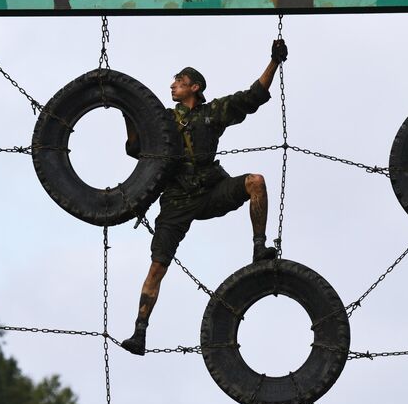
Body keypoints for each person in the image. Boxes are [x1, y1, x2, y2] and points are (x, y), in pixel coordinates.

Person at [120, 39, 289, 355]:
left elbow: (252, 98)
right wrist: (127, 109)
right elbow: (135, 148)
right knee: (156, 268)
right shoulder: (164, 122)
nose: (172, 86)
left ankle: (258, 250)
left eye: (179, 82)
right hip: (176, 203)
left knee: (256, 182)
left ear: (194, 88)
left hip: (211, 192)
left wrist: (274, 62)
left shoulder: (212, 113)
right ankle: (139, 333)